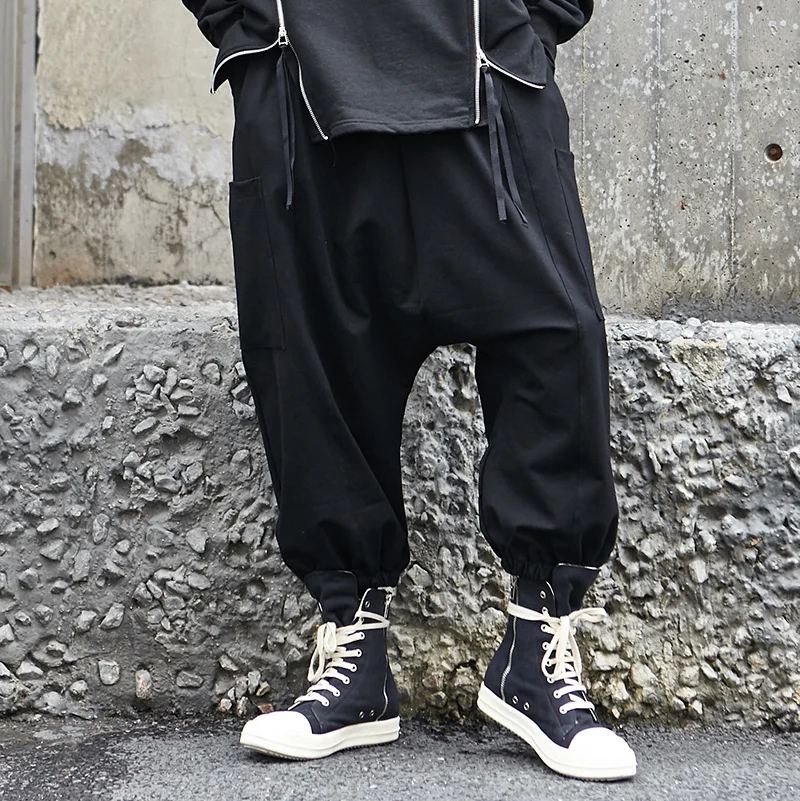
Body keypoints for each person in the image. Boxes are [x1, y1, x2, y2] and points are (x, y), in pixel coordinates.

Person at [182, 0, 636, 781]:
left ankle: (538, 645)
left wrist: (525, 23)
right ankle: (354, 654)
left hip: (486, 69)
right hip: (298, 73)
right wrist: (246, 27)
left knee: (555, 333)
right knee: (311, 359)